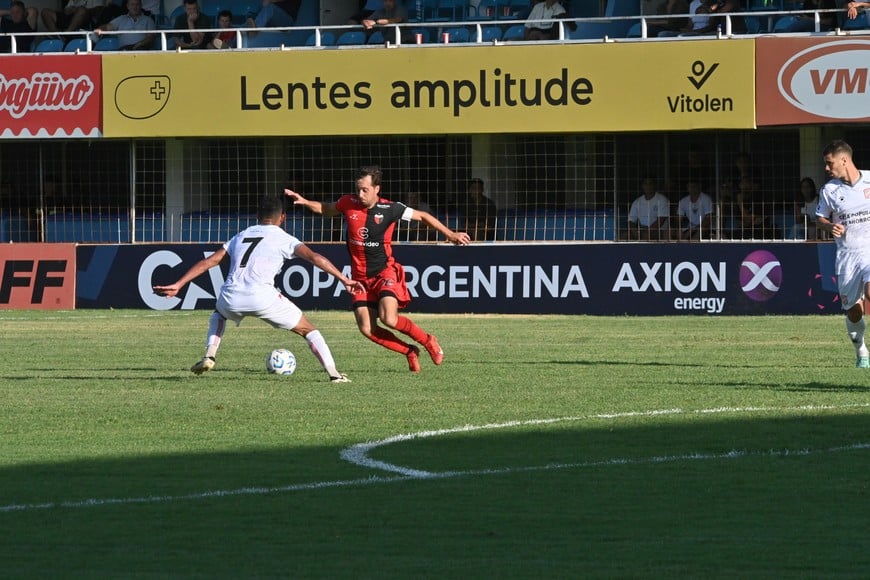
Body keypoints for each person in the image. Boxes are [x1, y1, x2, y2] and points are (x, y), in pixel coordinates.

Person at [152, 195, 362, 381]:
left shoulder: (241, 235)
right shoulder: (284, 238)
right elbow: (315, 258)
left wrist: (179, 284)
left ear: (257, 217)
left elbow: (210, 261)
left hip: (231, 295)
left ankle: (209, 355)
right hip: (262, 296)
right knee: (309, 330)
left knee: (219, 314)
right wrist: (343, 278)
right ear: (283, 218)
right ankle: (334, 374)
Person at [284, 166, 471, 373]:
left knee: (389, 318)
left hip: (384, 272)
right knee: (367, 328)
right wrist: (305, 201)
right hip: (359, 278)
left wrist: (450, 234)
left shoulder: (390, 209)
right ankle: (409, 351)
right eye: (358, 189)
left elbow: (423, 216)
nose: (360, 194)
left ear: (376, 189)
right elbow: (326, 209)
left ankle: (428, 340)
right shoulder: (348, 203)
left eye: (365, 190)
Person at [815, 140, 870, 368]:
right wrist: (829, 227)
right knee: (854, 312)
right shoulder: (829, 190)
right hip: (847, 257)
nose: (827, 169)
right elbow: (820, 218)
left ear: (844, 160)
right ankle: (862, 351)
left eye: (829, 163)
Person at [463, 178, 497, 242]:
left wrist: (477, 226)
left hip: (487, 233)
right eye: (473, 188)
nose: (475, 191)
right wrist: (478, 225)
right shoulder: (466, 204)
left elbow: (490, 226)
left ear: (482, 190)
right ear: (469, 190)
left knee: (477, 233)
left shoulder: (489, 204)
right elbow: (463, 224)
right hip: (469, 232)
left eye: (478, 188)